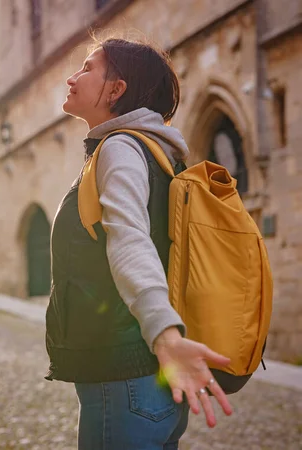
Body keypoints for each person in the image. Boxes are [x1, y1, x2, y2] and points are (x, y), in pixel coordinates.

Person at [45, 37, 233, 449]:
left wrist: (165, 336)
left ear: (116, 90)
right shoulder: (157, 155)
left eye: (88, 67)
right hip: (148, 384)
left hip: (126, 378)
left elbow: (130, 242)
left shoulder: (121, 149)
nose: (72, 77)